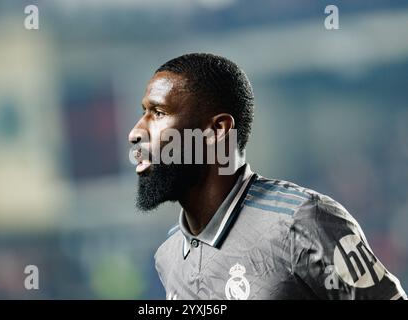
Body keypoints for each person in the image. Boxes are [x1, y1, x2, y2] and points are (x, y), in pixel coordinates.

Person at [128, 53, 406, 300]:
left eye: (159, 112)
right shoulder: (169, 255)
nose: (135, 132)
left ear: (217, 130)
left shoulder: (302, 221)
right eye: (144, 113)